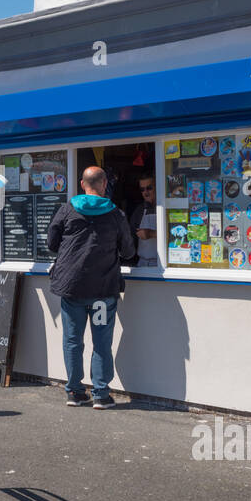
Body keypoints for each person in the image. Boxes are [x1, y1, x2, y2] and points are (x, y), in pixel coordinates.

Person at [46, 166, 135, 409]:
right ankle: (100, 394)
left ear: (82, 184)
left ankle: (74, 392)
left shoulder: (67, 209)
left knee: (73, 341)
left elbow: (52, 243)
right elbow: (129, 251)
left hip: (72, 288)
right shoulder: (116, 214)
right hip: (102, 290)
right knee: (101, 341)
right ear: (104, 184)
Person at [128, 174, 158, 267]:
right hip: (142, 263)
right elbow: (130, 235)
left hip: (162, 265)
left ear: (158, 187)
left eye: (149, 188)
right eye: (142, 189)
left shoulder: (167, 208)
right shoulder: (139, 210)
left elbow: (176, 233)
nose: (145, 192)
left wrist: (151, 234)